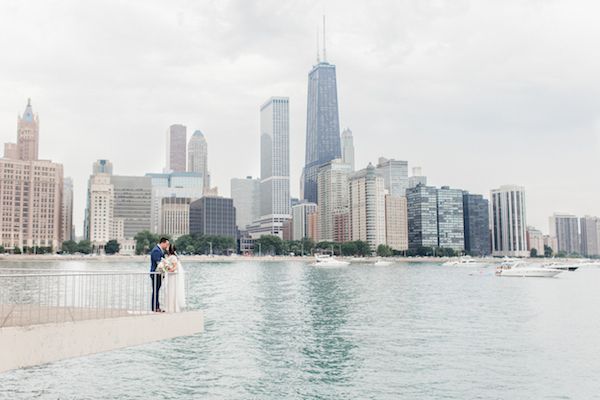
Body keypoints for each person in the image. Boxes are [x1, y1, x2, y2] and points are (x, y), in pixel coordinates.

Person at [163, 244, 186, 313]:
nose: (166, 248)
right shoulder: (169, 256)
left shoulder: (173, 257)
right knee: (169, 291)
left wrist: (168, 270)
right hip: (170, 276)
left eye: (167, 247)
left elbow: (175, 267)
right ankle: (169, 307)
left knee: (172, 291)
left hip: (172, 276)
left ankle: (172, 308)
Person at [150, 237, 169, 312]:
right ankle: (155, 307)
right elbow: (159, 263)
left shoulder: (159, 250)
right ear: (163, 243)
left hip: (159, 274)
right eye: (166, 244)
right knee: (155, 291)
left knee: (156, 291)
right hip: (156, 273)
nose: (167, 246)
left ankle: (157, 307)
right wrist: (166, 268)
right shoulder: (156, 250)